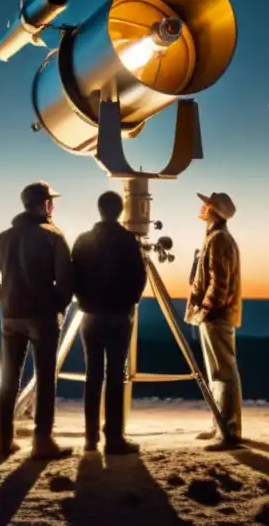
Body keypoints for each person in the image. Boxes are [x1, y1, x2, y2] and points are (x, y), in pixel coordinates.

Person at [0, 181, 75, 460]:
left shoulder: (3, 237)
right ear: (43, 204)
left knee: (9, 380)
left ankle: (2, 441)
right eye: (51, 201)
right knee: (45, 379)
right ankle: (42, 441)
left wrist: (6, 298)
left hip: (10, 317)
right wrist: (57, 307)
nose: (53, 206)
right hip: (43, 316)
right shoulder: (54, 235)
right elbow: (66, 281)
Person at [71, 190, 147, 454]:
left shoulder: (83, 240)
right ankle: (114, 438)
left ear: (99, 209)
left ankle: (90, 438)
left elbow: (73, 275)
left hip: (90, 316)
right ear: (121, 210)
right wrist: (130, 303)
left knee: (93, 376)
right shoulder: (128, 241)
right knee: (115, 375)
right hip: (118, 315)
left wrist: (84, 300)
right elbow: (139, 277)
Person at [186, 191, 244, 452]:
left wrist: (206, 309)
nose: (201, 207)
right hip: (215, 315)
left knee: (223, 373)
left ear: (214, 211)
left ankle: (229, 429)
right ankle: (220, 423)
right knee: (217, 373)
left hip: (217, 316)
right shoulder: (216, 237)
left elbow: (219, 282)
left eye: (206, 204)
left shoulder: (219, 239)